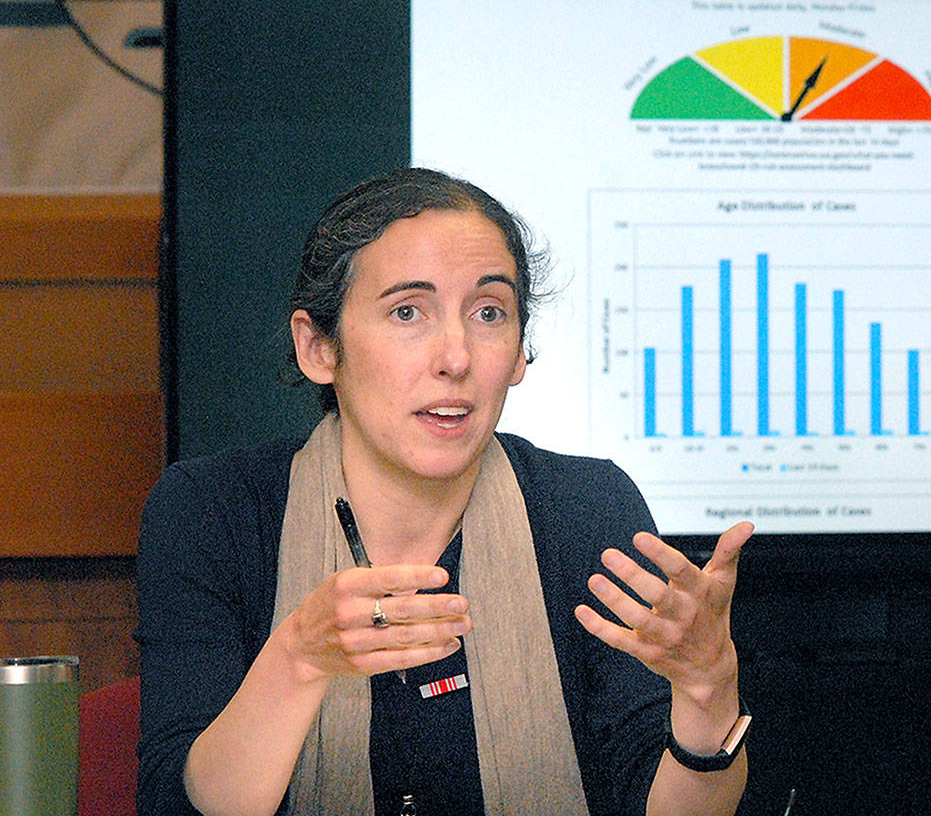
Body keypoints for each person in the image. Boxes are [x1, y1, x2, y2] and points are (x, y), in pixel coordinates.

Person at [135, 167, 754, 816]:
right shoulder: (210, 511)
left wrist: (709, 691)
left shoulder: (587, 507)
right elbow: (179, 804)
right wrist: (297, 660)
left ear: (519, 353)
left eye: (489, 313)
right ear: (318, 347)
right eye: (408, 312)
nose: (455, 357)